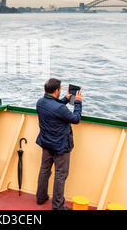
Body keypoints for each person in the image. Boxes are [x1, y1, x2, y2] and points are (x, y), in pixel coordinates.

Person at [35, 78, 83, 210]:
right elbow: (75, 119)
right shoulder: (59, 108)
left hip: (46, 143)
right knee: (60, 175)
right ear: (57, 90)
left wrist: (66, 99)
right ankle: (58, 206)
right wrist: (78, 103)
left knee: (44, 170)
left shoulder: (40, 102)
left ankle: (40, 197)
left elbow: (54, 108)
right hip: (60, 146)